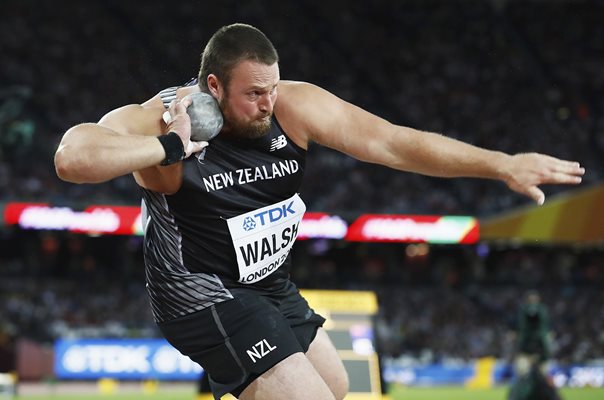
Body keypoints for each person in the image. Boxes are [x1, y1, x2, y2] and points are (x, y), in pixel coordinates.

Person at [54, 23, 584, 400]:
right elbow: (72, 157)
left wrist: (501, 164)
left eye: (273, 87)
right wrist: (171, 148)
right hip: (201, 293)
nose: (268, 103)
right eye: (254, 93)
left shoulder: (291, 106)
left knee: (336, 386)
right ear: (212, 87)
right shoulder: (162, 117)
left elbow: (394, 142)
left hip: (269, 286)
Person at [508, 291, 560, 400]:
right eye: (531, 300)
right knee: (523, 377)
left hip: (541, 352)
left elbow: (551, 332)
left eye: (535, 300)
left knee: (543, 379)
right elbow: (512, 332)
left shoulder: (544, 314)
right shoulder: (521, 314)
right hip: (525, 353)